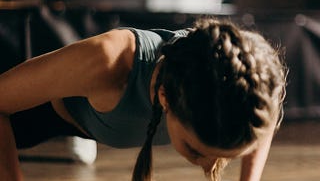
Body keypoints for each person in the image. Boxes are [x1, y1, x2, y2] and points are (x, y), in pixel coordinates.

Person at [0, 17, 286, 181]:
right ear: (165, 98)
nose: (209, 163)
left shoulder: (251, 76)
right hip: (24, 96)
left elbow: (267, 112)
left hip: (90, 111)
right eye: (197, 151)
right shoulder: (109, 63)